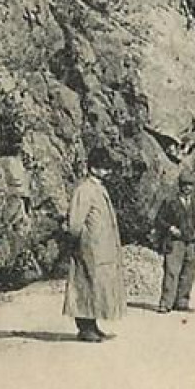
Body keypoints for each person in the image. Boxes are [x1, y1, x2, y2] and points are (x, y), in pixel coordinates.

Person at [63, 146, 126, 341]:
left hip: (99, 249)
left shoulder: (98, 188)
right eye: (104, 167)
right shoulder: (85, 190)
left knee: (96, 287)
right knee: (85, 286)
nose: (108, 171)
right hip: (88, 249)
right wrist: (85, 241)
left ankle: (92, 325)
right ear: (94, 168)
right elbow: (74, 224)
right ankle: (85, 328)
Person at [156, 180, 195, 313]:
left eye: (190, 185)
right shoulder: (170, 201)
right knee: (172, 271)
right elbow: (159, 219)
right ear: (180, 186)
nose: (187, 188)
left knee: (189, 272)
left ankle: (182, 302)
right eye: (185, 185)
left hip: (191, 242)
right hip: (175, 241)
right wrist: (171, 228)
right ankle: (166, 303)